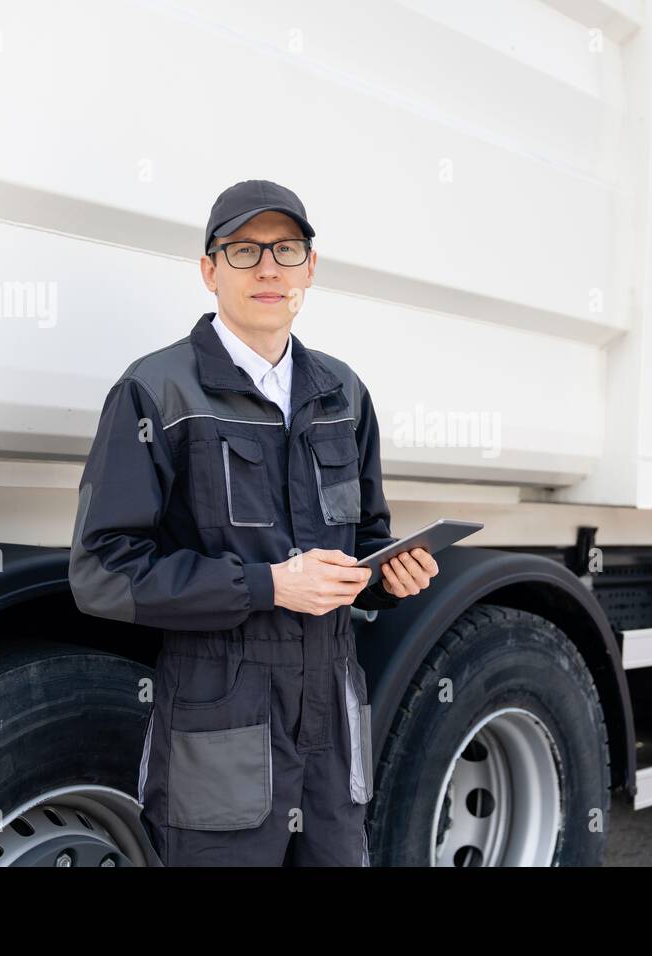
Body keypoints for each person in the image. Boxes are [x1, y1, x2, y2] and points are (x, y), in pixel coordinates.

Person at [68, 179, 438, 866]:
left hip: (330, 712)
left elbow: (364, 539)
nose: (269, 267)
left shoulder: (343, 392)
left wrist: (390, 572)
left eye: (286, 249)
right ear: (209, 270)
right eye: (244, 250)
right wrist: (269, 586)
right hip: (221, 714)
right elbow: (103, 574)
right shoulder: (157, 391)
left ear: (310, 269)